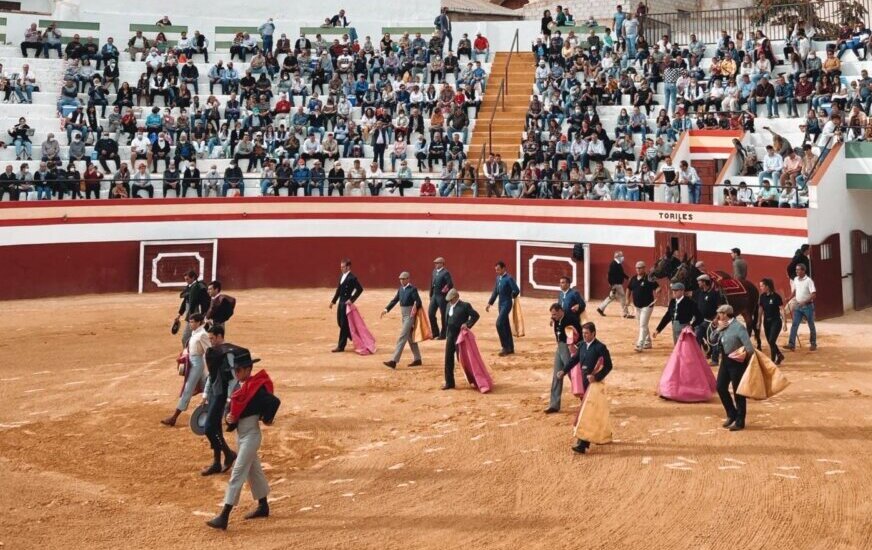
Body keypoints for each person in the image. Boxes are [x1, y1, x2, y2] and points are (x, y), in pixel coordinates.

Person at [206, 348, 277, 530]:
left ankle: (224, 515)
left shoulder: (256, 387)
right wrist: (229, 419)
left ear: (247, 369)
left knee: (237, 472)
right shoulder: (241, 386)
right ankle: (263, 505)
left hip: (251, 436)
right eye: (235, 370)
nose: (236, 373)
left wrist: (266, 418)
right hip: (242, 435)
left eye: (238, 370)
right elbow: (233, 412)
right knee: (254, 472)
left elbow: (274, 402)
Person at [557, 322, 613, 453]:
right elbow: (574, 360)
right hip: (585, 384)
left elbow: (609, 366)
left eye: (587, 333)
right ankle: (604, 435)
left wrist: (597, 377)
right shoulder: (582, 345)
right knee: (596, 413)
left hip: (595, 386)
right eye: (583, 333)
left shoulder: (601, 347)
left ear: (593, 333)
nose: (584, 335)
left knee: (586, 414)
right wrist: (564, 371)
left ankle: (582, 443)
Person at [200, 324, 238, 476]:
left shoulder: (227, 353)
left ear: (220, 336)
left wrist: (229, 398)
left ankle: (228, 453)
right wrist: (205, 394)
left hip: (222, 395)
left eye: (212, 338)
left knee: (209, 427)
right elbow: (211, 374)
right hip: (214, 393)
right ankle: (216, 462)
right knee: (215, 428)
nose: (210, 341)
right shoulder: (214, 352)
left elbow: (233, 378)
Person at [712, 305, 755, 431]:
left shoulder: (739, 327)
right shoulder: (722, 326)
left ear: (726, 314)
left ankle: (740, 421)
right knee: (720, 387)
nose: (718, 316)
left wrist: (745, 362)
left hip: (737, 362)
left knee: (738, 392)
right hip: (725, 360)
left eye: (720, 313)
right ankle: (732, 414)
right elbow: (712, 340)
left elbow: (750, 349)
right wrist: (718, 329)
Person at [161, 313, 209, 427]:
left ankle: (174, 418)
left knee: (188, 389)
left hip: (197, 365)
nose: (190, 324)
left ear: (199, 322)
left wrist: (211, 367)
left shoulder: (202, 334)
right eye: (190, 322)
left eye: (193, 322)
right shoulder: (196, 333)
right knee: (206, 387)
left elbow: (209, 351)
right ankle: (223, 409)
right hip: (193, 363)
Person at [381, 272, 424, 369]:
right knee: (410, 338)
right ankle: (418, 359)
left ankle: (394, 361)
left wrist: (414, 308)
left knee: (402, 337)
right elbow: (395, 300)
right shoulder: (400, 289)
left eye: (403, 279)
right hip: (403, 316)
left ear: (408, 279)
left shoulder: (413, 289)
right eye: (400, 279)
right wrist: (386, 309)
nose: (401, 281)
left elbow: (419, 302)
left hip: (410, 315)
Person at [545, 302, 582, 414]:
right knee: (557, 374)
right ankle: (554, 405)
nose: (553, 317)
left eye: (555, 314)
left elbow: (579, 333)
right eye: (552, 315)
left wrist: (575, 347)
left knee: (573, 374)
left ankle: (585, 399)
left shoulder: (571, 318)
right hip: (560, 347)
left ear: (561, 311)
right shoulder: (557, 319)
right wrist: (553, 319)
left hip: (568, 348)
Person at [442, 288, 480, 390]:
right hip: (450, 335)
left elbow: (475, 316)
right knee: (448, 359)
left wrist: (467, 324)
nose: (450, 301)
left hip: (460, 336)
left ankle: (476, 380)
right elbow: (447, 321)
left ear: (456, 297)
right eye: (449, 299)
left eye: (451, 299)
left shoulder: (465, 306)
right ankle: (449, 383)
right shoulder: (448, 305)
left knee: (464, 360)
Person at [486, 260, 520, 356]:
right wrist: (490, 303)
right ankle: (510, 348)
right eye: (496, 270)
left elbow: (516, 290)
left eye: (498, 270)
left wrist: (513, 294)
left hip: (507, 304)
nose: (497, 271)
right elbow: (495, 292)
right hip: (500, 304)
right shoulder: (498, 278)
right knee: (505, 325)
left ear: (504, 268)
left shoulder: (509, 278)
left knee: (499, 324)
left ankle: (505, 347)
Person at [330, 258, 364, 352]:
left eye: (343, 267)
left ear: (348, 267)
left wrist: (351, 299)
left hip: (346, 303)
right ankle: (351, 334)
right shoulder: (342, 275)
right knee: (340, 323)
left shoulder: (352, 278)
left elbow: (360, 289)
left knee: (344, 324)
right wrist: (333, 301)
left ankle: (341, 346)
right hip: (341, 302)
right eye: (340, 267)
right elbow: (339, 289)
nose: (341, 268)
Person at [628, 261, 660, 352]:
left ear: (644, 268)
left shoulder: (649, 278)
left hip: (647, 305)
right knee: (642, 324)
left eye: (640, 268)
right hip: (637, 306)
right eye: (637, 268)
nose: (638, 269)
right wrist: (627, 299)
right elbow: (629, 289)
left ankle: (640, 344)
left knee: (642, 325)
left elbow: (657, 287)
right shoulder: (633, 278)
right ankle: (648, 342)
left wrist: (658, 291)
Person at [694, 274, 724, 365]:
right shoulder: (699, 292)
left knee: (714, 340)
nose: (698, 283)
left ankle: (715, 360)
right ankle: (698, 358)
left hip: (711, 321)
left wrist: (716, 318)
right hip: (701, 321)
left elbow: (720, 308)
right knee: (697, 337)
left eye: (699, 281)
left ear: (704, 282)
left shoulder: (714, 294)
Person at [176, 270, 211, 347]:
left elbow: (203, 303)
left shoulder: (198, 288)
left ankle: (188, 355)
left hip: (195, 315)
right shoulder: (191, 287)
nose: (186, 281)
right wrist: (179, 314)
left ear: (193, 278)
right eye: (185, 279)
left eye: (187, 279)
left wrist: (203, 316)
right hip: (192, 314)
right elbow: (186, 301)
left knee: (186, 338)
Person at [787, 263, 816, 351]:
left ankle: (813, 343)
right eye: (796, 270)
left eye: (798, 270)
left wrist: (804, 302)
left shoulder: (809, 281)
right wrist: (790, 297)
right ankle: (791, 344)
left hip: (808, 306)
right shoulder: (795, 279)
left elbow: (813, 294)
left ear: (803, 270)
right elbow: (795, 289)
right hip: (798, 306)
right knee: (794, 324)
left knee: (811, 325)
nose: (797, 271)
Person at [758, 278, 785, 364]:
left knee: (772, 340)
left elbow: (782, 309)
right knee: (770, 341)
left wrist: (785, 323)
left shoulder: (776, 297)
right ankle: (779, 355)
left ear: (767, 286)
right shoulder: (762, 296)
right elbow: (760, 310)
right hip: (766, 322)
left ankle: (772, 360)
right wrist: (759, 321)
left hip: (776, 321)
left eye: (762, 286)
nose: (761, 288)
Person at [597, 251, 630, 317]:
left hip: (616, 284)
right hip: (616, 284)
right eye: (621, 256)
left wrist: (628, 278)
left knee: (611, 297)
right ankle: (625, 313)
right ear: (617, 257)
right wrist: (612, 285)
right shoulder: (613, 264)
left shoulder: (617, 263)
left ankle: (600, 308)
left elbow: (621, 273)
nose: (622, 257)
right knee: (623, 297)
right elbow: (609, 275)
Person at [429, 256, 453, 340]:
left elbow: (450, 284)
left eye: (437, 263)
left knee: (443, 315)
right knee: (431, 313)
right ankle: (435, 333)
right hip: (434, 296)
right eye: (435, 263)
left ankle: (443, 334)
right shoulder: (434, 271)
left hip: (442, 297)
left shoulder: (446, 272)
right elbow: (431, 284)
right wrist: (430, 295)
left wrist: (445, 290)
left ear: (442, 263)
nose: (435, 264)